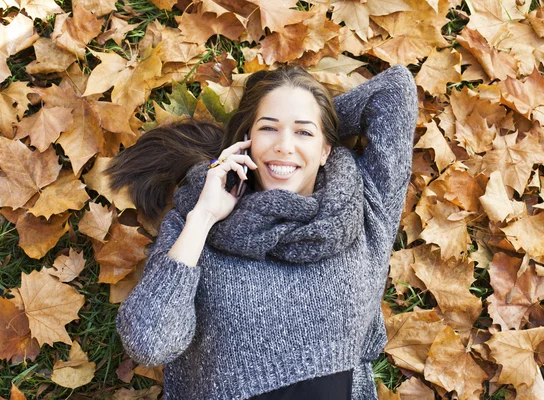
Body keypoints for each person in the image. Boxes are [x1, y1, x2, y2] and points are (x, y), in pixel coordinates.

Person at [110, 64, 418, 399]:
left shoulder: (362, 208)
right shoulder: (199, 224)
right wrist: (204, 216)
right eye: (269, 129)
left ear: (327, 148)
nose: (284, 146)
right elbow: (149, 345)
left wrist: (317, 115)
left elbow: (395, 90)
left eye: (303, 133)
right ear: (247, 140)